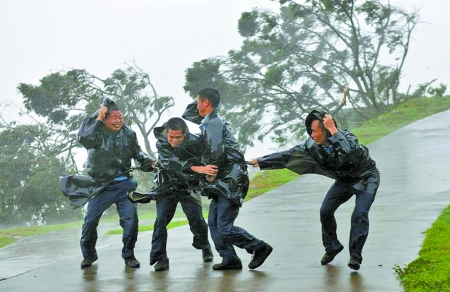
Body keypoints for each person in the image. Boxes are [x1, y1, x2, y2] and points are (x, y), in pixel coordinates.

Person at [251, 109, 380, 270]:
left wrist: (334, 130)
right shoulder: (311, 146)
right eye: (310, 131)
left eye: (314, 131)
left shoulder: (348, 138)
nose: (312, 135)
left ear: (326, 130)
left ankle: (355, 255)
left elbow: (349, 154)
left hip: (367, 178)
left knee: (360, 214)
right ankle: (332, 247)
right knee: (325, 211)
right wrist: (262, 161)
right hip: (345, 180)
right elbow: (287, 156)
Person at [182, 88, 273, 271]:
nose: (195, 105)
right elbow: (187, 113)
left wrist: (211, 171)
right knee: (214, 223)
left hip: (230, 179)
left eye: (198, 101)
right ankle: (230, 259)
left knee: (223, 226)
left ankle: (259, 247)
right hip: (222, 180)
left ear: (205, 103)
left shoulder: (214, 122)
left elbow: (216, 151)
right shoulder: (209, 121)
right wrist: (204, 99)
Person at [77, 98, 156, 269]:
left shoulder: (129, 134)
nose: (119, 120)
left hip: (124, 185)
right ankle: (89, 255)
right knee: (90, 222)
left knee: (131, 221)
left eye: (120, 117)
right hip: (101, 186)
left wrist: (152, 163)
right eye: (114, 117)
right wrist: (97, 116)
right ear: (104, 118)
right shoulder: (96, 134)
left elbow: (138, 153)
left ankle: (129, 254)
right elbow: (84, 138)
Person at [148, 117, 214, 271]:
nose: (174, 141)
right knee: (161, 223)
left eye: (178, 137)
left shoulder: (196, 142)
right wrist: (196, 168)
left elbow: (205, 160)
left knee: (197, 220)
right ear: (167, 133)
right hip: (167, 185)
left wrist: (206, 172)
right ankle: (160, 258)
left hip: (189, 185)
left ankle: (204, 246)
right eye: (171, 137)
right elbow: (170, 163)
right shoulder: (162, 142)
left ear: (185, 134)